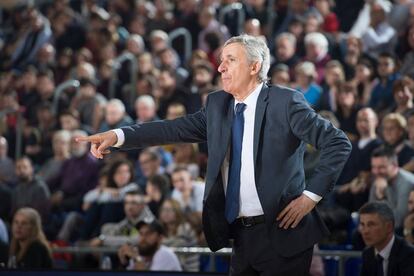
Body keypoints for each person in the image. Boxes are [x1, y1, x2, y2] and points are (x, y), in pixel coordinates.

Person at [79, 34, 351, 275]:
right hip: (241, 236)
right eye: (221, 60)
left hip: (284, 233)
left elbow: (338, 142)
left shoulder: (285, 102)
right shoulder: (218, 105)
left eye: (230, 60)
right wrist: (118, 136)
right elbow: (171, 129)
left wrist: (310, 197)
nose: (220, 67)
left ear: (254, 67)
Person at [359, 201, 414, 276]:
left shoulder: (408, 254)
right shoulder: (367, 254)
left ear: (389, 227)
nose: (365, 231)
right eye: (362, 225)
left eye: (371, 224)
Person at [117, 219, 182, 271]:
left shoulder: (165, 254)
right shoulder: (140, 254)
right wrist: (124, 264)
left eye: (148, 233)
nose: (143, 238)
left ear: (160, 238)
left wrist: (137, 259)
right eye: (141, 234)